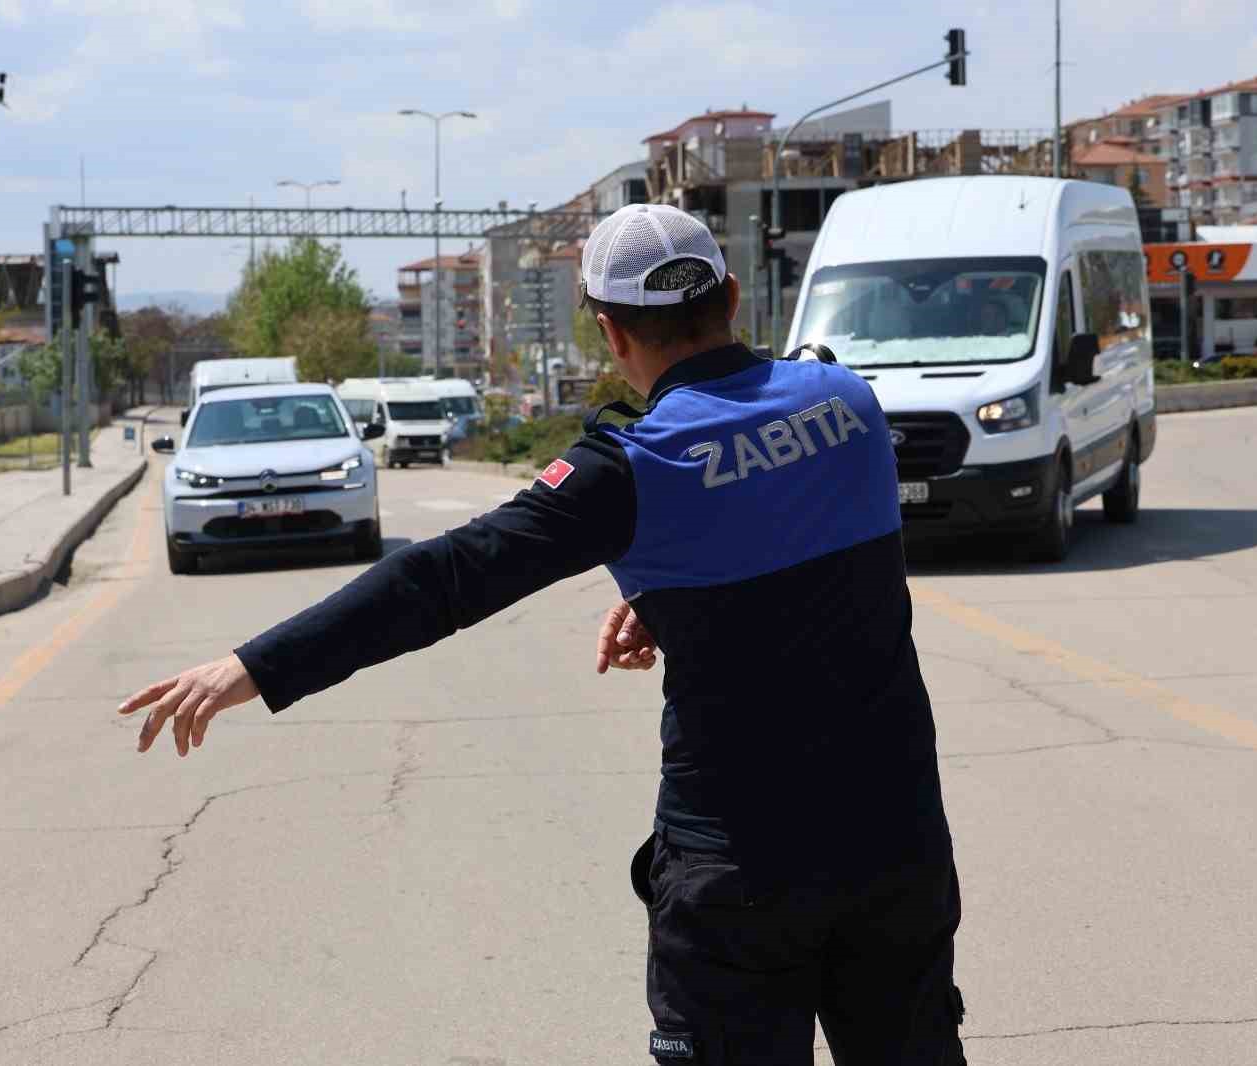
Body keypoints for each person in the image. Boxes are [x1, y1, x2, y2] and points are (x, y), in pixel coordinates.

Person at [119, 203, 965, 1065]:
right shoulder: (850, 405)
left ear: (608, 332)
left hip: (740, 869)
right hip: (896, 843)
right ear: (735, 296)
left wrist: (255, 666)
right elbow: (803, 550)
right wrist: (674, 604)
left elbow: (442, 577)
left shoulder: (633, 468)